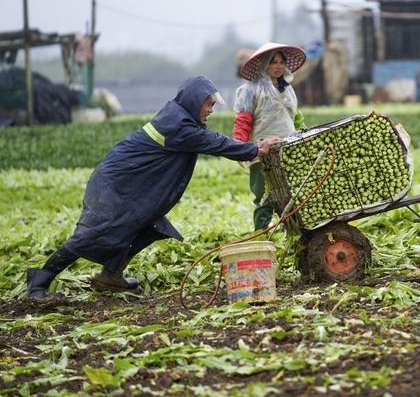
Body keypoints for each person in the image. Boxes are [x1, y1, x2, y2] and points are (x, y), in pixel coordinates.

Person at [26, 76, 279, 300]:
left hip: (129, 184)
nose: (211, 110)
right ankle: (39, 282)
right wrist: (256, 148)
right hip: (115, 184)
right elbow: (216, 143)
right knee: (93, 233)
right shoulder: (181, 126)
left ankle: (110, 275)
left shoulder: (179, 115)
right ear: (194, 100)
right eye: (209, 104)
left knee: (148, 225)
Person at [233, 42, 307, 231]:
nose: (278, 66)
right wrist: (239, 148)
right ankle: (261, 235)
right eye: (273, 62)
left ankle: (289, 234)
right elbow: (243, 121)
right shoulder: (251, 90)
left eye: (281, 62)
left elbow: (296, 117)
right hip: (262, 150)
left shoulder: (288, 89)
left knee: (290, 195)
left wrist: (304, 133)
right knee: (264, 197)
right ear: (264, 64)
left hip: (288, 148)